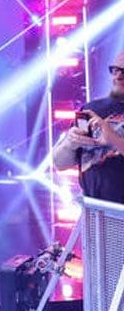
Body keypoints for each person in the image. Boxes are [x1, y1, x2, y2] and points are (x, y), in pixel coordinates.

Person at [53, 50, 124, 203]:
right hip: (93, 208)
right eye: (115, 70)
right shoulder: (91, 109)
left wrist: (112, 137)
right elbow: (59, 163)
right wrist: (69, 144)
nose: (118, 76)